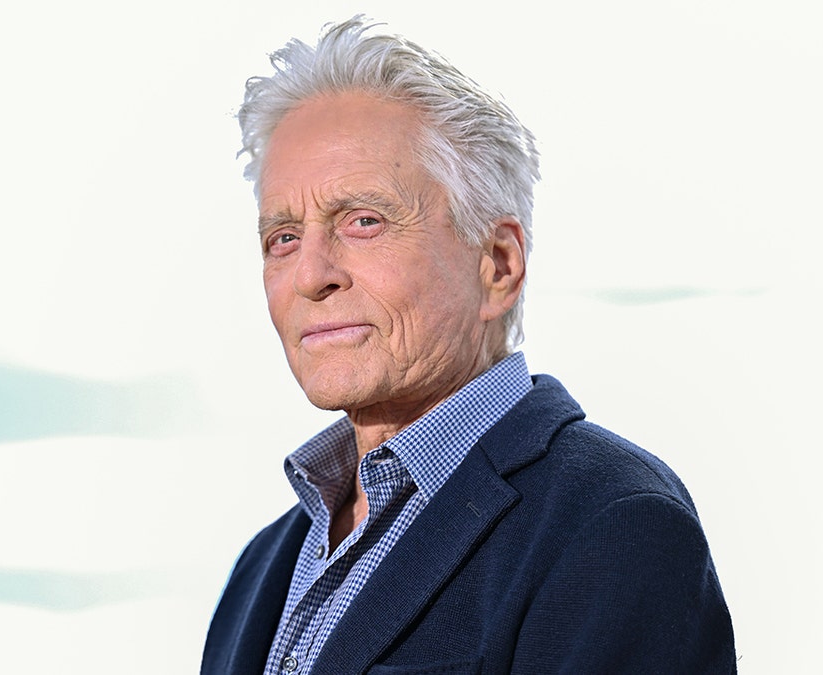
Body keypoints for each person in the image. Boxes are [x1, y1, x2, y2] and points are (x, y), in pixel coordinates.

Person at [201, 17, 736, 675]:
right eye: (283, 237)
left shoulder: (613, 524)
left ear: (498, 264)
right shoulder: (262, 568)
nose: (311, 275)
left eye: (363, 221)